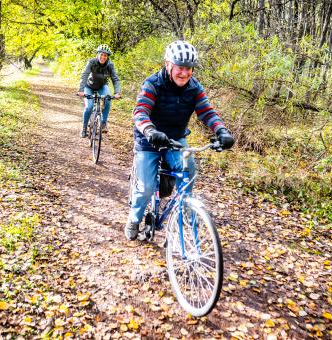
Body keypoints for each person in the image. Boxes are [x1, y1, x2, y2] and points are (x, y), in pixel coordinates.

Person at [125, 40, 235, 240]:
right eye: (180, 68)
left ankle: (185, 213)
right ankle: (134, 218)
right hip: (148, 140)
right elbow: (140, 111)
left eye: (189, 69)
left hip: (175, 140)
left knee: (188, 171)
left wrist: (222, 131)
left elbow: (207, 112)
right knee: (146, 188)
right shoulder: (153, 83)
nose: (184, 73)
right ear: (168, 64)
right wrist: (149, 130)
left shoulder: (194, 88)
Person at [77, 44, 121, 137]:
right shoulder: (91, 62)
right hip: (89, 86)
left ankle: (103, 123)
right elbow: (84, 75)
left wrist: (117, 92)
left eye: (105, 55)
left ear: (107, 57)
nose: (103, 57)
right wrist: (81, 90)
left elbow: (115, 79)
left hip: (102, 86)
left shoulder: (110, 65)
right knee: (89, 107)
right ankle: (84, 129)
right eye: (101, 54)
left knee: (108, 99)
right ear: (98, 54)